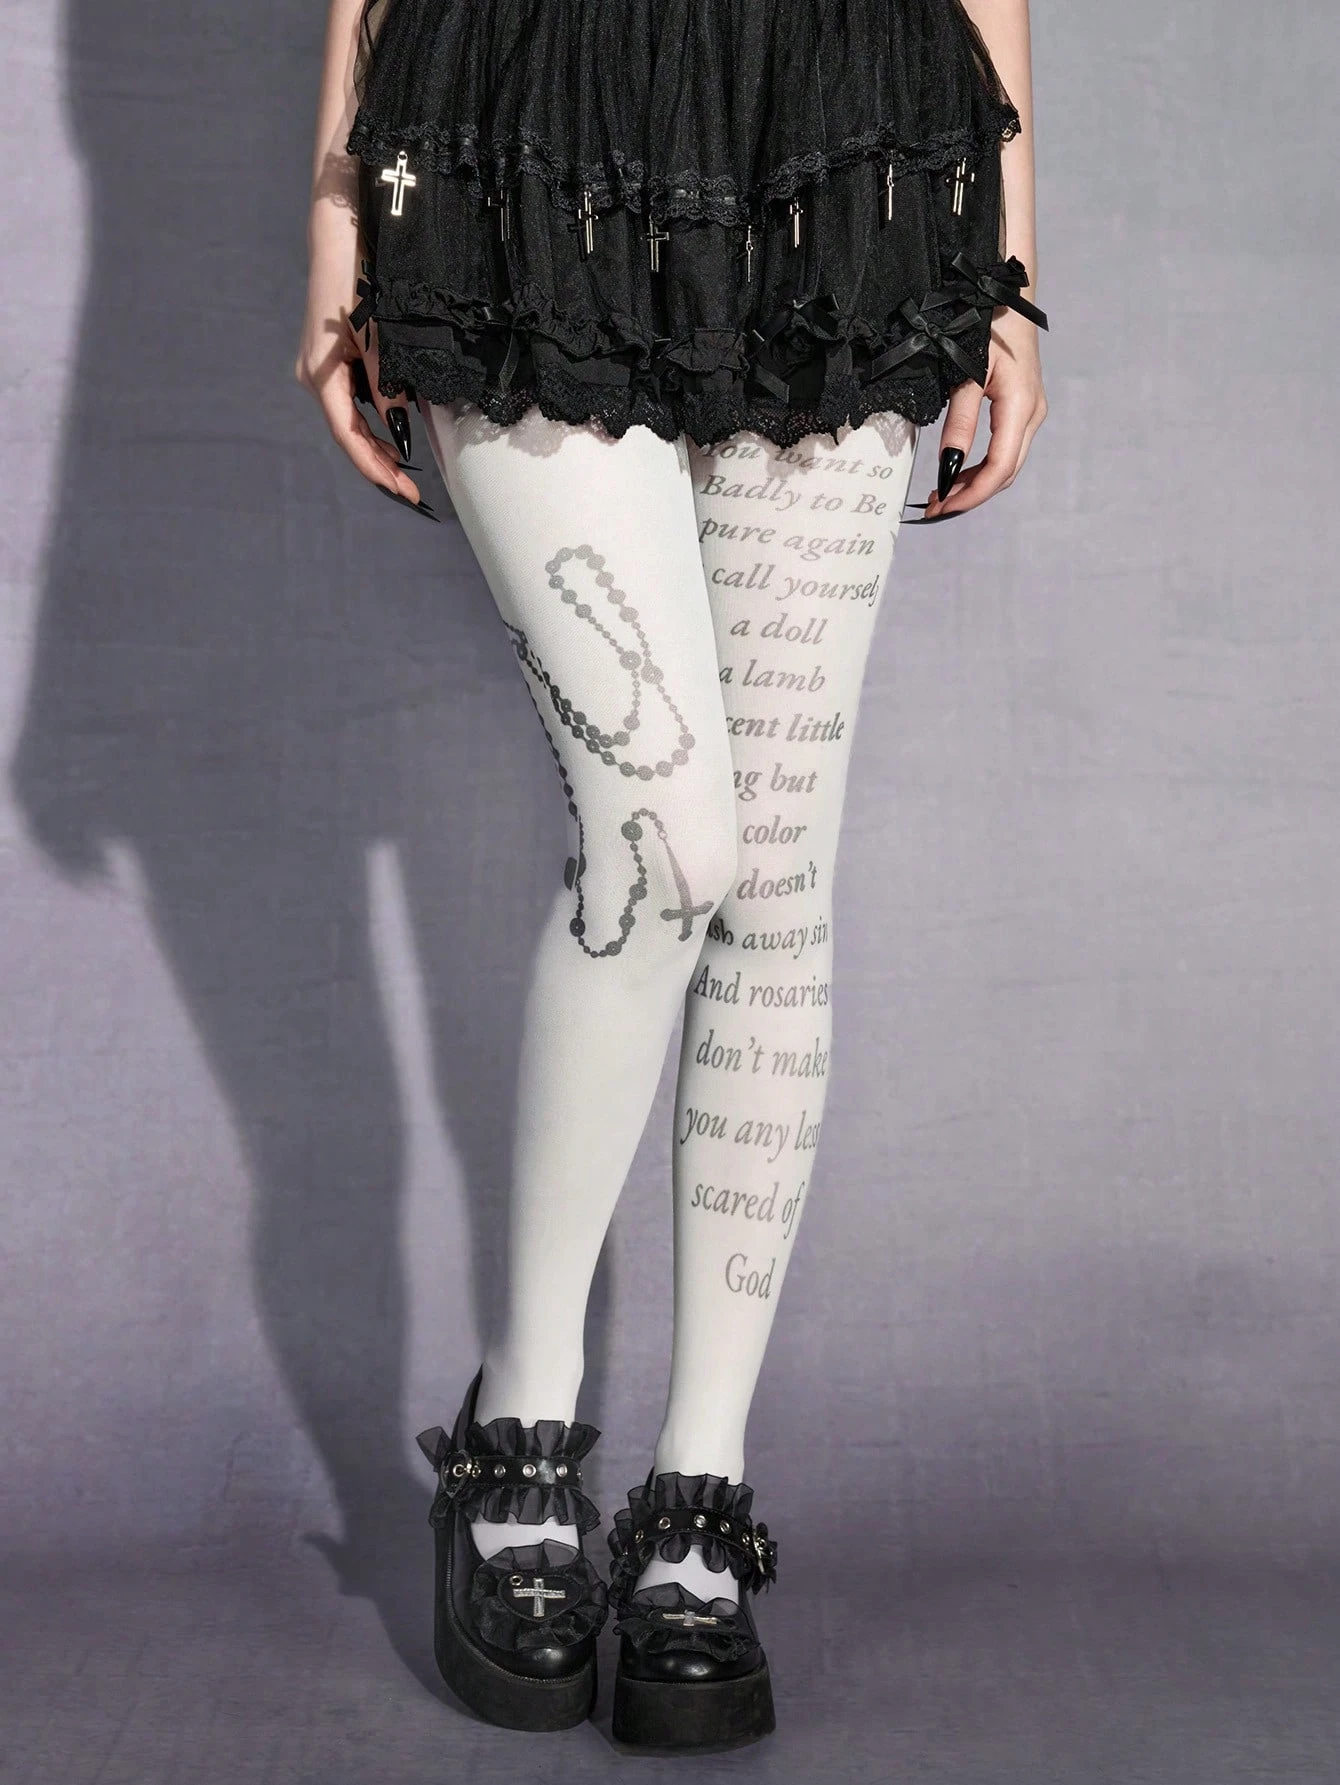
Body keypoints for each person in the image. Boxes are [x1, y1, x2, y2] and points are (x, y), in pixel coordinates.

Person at [296, 0, 1048, 1748]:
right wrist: (337, 216)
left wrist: (1008, 263)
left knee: (771, 879)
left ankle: (699, 1493)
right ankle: (522, 1426)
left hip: (845, 132)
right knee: (666, 838)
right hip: (524, 115)